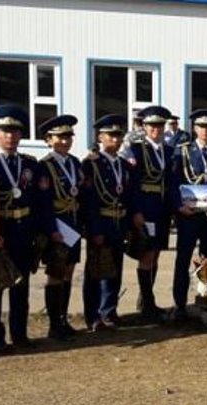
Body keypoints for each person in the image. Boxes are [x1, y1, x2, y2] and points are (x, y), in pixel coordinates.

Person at [0, 104, 41, 353]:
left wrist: (37, 233)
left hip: (23, 230)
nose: (11, 136)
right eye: (5, 131)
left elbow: (37, 200)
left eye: (16, 131)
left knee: (21, 286)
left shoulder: (29, 164)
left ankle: (19, 333)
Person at [171, 109, 207, 320]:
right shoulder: (183, 151)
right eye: (201, 126)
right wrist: (178, 206)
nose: (205, 130)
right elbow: (173, 181)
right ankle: (179, 304)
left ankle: (205, 301)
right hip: (188, 214)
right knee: (183, 259)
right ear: (195, 129)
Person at [35, 114, 84, 341]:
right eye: (59, 137)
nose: (64, 141)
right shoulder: (44, 166)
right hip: (57, 226)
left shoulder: (74, 163)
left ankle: (63, 319)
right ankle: (54, 323)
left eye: (68, 137)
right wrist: (51, 229)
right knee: (55, 273)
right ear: (48, 140)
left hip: (73, 224)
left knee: (69, 271)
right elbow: (43, 203)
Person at [82, 114, 130, 330]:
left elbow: (127, 196)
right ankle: (93, 315)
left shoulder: (123, 164)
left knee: (115, 270)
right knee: (96, 271)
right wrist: (94, 229)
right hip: (101, 222)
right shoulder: (91, 164)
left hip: (119, 222)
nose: (116, 140)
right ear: (100, 137)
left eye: (119, 135)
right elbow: (89, 200)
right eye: (111, 135)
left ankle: (109, 310)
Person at [128, 105, 175, 321]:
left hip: (162, 209)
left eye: (160, 125)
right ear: (144, 127)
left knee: (156, 254)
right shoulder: (136, 150)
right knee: (146, 255)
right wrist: (136, 211)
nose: (156, 129)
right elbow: (132, 185)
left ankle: (146, 300)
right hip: (145, 208)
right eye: (152, 125)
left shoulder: (168, 150)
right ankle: (148, 305)